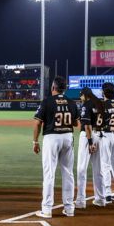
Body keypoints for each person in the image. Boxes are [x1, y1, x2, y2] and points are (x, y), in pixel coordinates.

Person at [33, 77, 77, 217]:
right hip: (67, 137)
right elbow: (76, 123)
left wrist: (35, 142)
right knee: (68, 173)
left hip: (51, 138)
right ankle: (69, 208)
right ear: (64, 88)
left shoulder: (47, 101)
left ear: (53, 87)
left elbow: (38, 123)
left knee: (49, 173)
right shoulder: (71, 102)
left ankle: (46, 209)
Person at [75, 87, 106, 208]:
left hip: (89, 136)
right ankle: (101, 199)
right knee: (98, 170)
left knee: (81, 169)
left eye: (81, 96)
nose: (80, 98)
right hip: (100, 135)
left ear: (85, 95)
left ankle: (81, 201)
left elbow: (87, 126)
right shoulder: (100, 104)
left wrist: (90, 141)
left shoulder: (86, 104)